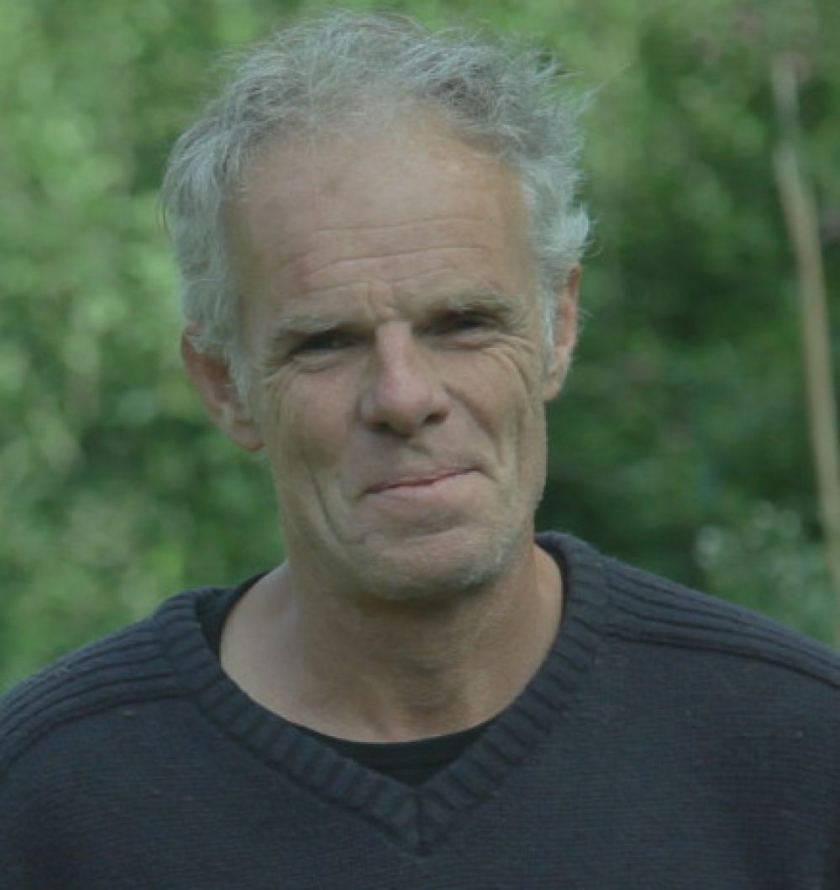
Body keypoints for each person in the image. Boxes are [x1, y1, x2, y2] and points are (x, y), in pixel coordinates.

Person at [2, 10, 839, 889]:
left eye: (463, 323)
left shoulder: (795, 755)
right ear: (224, 384)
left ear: (558, 328)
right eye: (325, 342)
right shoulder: (47, 800)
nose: (404, 397)